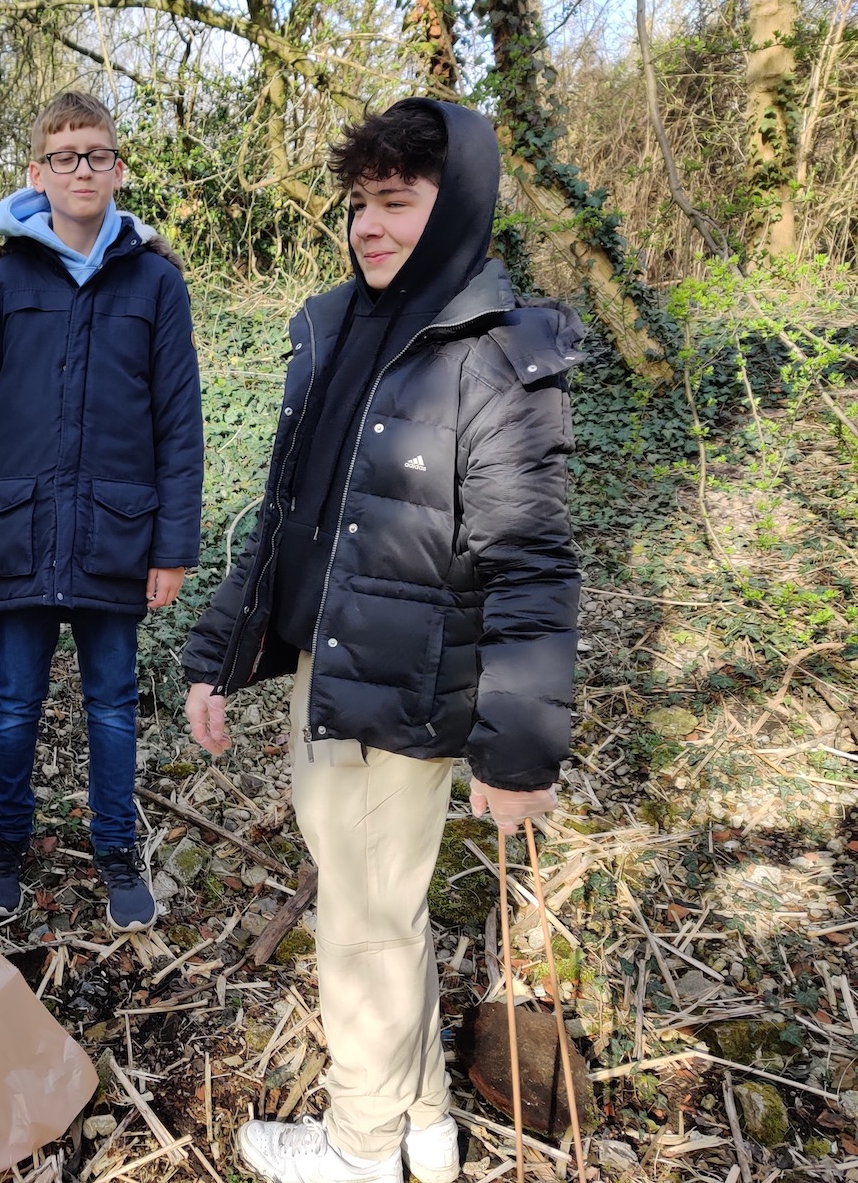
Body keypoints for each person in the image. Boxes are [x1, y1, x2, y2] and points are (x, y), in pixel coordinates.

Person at [182, 99, 584, 1183]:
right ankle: (423, 1126)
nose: (367, 226)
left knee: (364, 923)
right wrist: (219, 657)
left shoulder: (491, 359)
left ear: (454, 212)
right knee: (380, 909)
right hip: (332, 666)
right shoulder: (343, 330)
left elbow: (530, 566)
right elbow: (289, 521)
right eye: (360, 204)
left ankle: (360, 1149)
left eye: (396, 203)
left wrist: (518, 752)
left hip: (400, 686)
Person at [0, 90, 203, 933]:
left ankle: (116, 848)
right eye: (64, 157)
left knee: (112, 703)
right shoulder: (0, 284)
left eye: (97, 156)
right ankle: (4, 849)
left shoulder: (155, 282)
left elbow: (179, 421)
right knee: (15, 701)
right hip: (17, 528)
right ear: (36, 173)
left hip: (114, 532)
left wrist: (173, 547)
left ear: (118, 170)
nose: (81, 170)